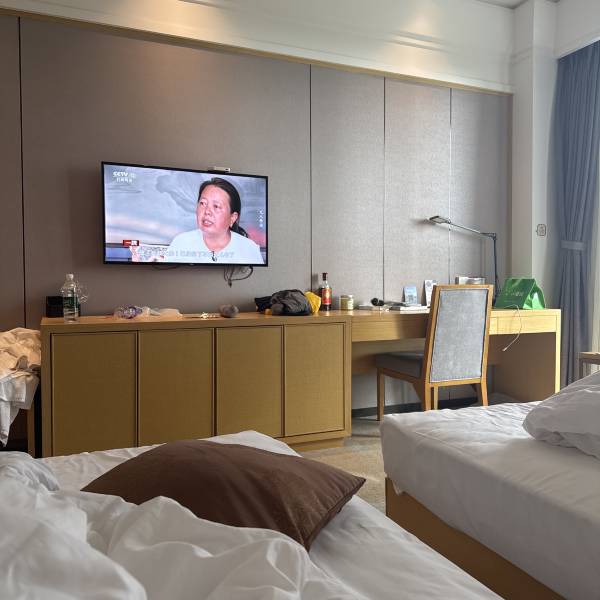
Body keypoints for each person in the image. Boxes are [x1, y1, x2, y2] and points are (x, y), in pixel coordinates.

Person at [166, 177, 264, 264]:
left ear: (232, 218)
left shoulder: (249, 249)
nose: (207, 211)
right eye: (203, 203)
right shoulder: (181, 242)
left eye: (216, 206)